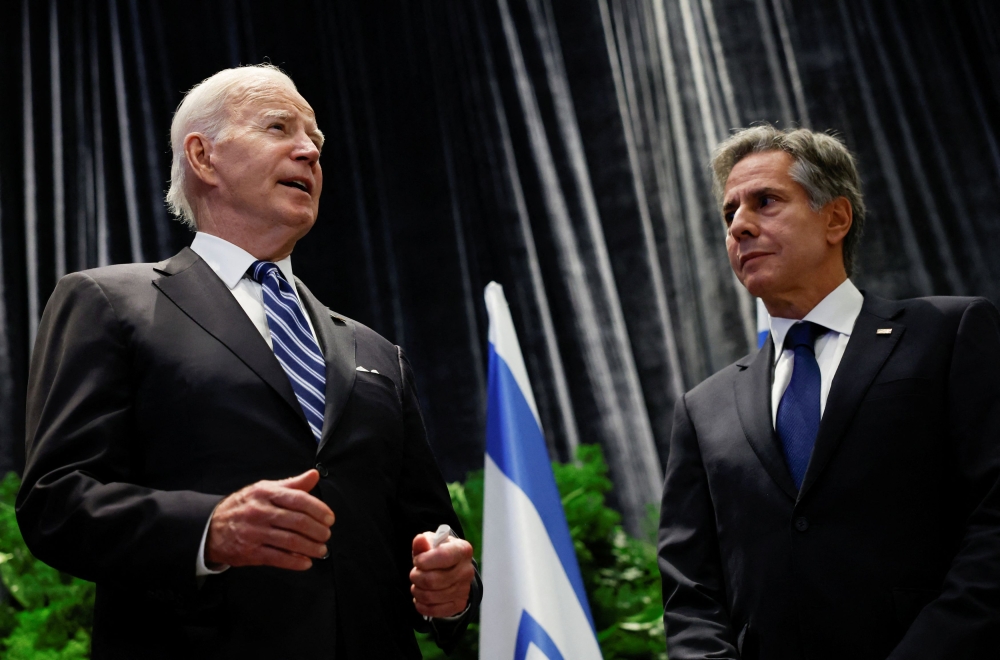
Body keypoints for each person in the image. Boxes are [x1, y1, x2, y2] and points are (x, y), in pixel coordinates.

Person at [17, 64, 481, 659]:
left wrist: (451, 588)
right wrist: (209, 530)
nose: (310, 150)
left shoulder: (374, 352)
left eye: (316, 139)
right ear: (204, 158)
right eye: (278, 127)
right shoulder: (109, 302)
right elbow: (57, 500)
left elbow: (429, 534)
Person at [657, 124, 1000, 659]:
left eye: (765, 201)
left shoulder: (948, 334)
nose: (740, 226)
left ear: (836, 218)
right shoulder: (704, 410)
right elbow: (691, 593)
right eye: (729, 214)